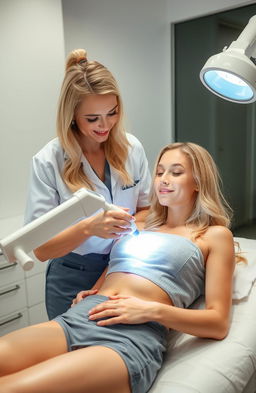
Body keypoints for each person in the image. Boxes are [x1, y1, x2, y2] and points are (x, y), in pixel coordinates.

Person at [0, 142, 235, 393]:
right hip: (82, 317)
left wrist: (149, 310)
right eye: (159, 172)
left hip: (129, 336)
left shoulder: (214, 236)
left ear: (198, 182)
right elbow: (117, 265)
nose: (163, 180)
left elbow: (217, 323)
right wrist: (93, 289)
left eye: (176, 173)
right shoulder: (139, 223)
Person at [24, 48, 151, 319]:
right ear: (71, 115)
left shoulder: (132, 148)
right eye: (92, 118)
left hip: (123, 268)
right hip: (72, 276)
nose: (105, 125)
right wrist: (89, 228)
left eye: (112, 112)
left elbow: (147, 208)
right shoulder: (49, 161)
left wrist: (129, 230)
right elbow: (42, 249)